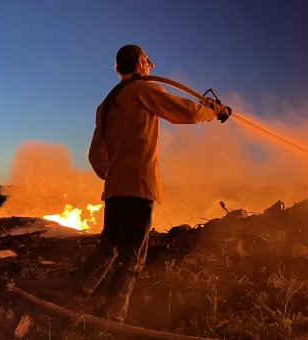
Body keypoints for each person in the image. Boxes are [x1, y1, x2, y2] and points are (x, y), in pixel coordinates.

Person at [77, 44, 230, 322]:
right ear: (139, 62)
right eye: (148, 62)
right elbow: (188, 113)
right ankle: (111, 317)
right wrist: (215, 111)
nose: (150, 67)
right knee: (131, 258)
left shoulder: (106, 104)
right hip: (138, 186)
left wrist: (112, 174)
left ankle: (73, 294)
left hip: (115, 189)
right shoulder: (144, 90)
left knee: (108, 247)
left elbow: (94, 155)